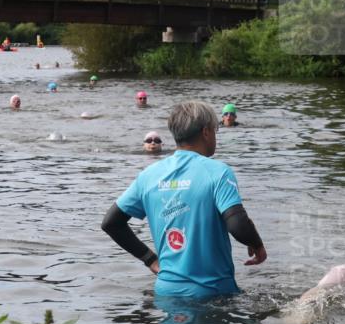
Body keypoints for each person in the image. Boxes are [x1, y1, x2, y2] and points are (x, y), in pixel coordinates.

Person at [102, 100, 267, 298]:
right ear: (206, 132)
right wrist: (257, 244)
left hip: (165, 291)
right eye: (215, 130)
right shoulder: (218, 172)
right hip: (212, 293)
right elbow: (238, 224)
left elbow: (111, 223)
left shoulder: (148, 175)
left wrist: (150, 260)